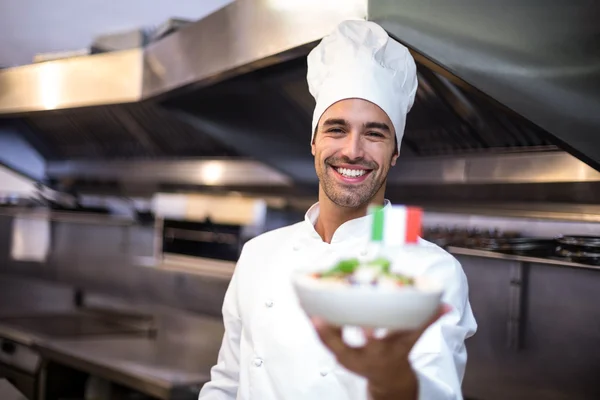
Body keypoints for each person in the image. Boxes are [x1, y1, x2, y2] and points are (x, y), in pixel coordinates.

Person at [199, 20, 477, 400]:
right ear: (313, 142)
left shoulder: (429, 272)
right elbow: (227, 384)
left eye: (375, 133)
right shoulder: (258, 255)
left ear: (394, 153)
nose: (352, 150)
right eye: (336, 129)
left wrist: (393, 380)